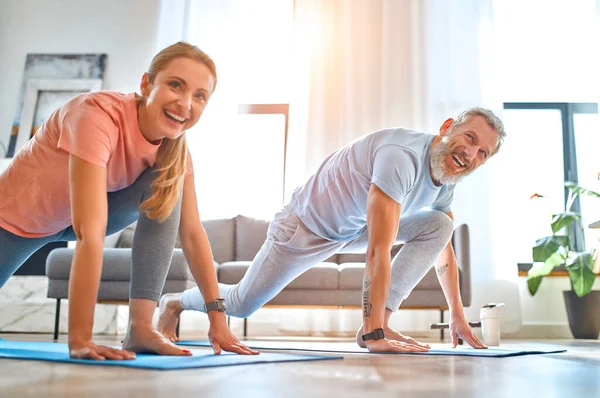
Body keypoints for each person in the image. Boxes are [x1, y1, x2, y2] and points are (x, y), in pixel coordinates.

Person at [159, 107, 505, 353]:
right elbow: (378, 251)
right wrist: (374, 334)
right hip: (302, 229)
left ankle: (376, 324)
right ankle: (175, 301)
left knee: (439, 223)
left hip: (349, 230)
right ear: (447, 127)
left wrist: (459, 317)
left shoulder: (446, 179)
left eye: (482, 153)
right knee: (241, 303)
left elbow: (441, 244)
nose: (469, 153)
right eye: (469, 138)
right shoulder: (402, 157)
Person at [0, 42, 258, 360]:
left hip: (74, 219)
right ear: (146, 84)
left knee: (167, 183)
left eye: (199, 95)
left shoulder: (174, 151)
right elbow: (90, 232)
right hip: (13, 220)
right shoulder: (96, 115)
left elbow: (192, 233)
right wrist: (80, 339)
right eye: (175, 85)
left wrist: (218, 321)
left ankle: (140, 328)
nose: (185, 103)